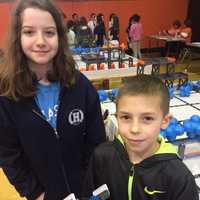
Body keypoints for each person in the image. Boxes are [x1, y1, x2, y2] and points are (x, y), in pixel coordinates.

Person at [0, 1, 106, 200]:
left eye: (49, 32)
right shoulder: (7, 94)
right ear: (18, 37)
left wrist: (92, 182)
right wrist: (36, 193)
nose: (41, 41)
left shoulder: (80, 85)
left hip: (85, 190)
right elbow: (8, 154)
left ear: (59, 37)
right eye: (29, 32)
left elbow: (97, 142)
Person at [82, 75, 199, 200]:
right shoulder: (101, 156)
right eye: (126, 117)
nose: (135, 129)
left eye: (147, 118)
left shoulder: (179, 179)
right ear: (117, 118)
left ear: (165, 121)